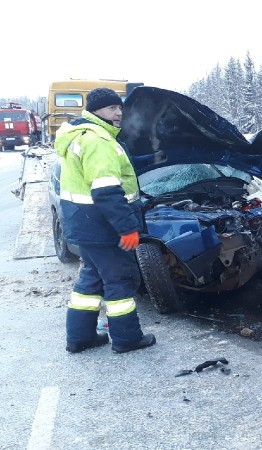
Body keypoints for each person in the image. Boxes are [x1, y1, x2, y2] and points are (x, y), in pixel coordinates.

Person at [55, 87, 156, 354]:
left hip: (83, 225)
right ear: (96, 110)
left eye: (120, 108)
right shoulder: (98, 140)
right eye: (112, 108)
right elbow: (106, 191)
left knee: (91, 280)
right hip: (103, 227)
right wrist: (128, 228)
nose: (119, 113)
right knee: (120, 279)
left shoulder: (79, 136)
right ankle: (127, 339)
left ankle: (80, 337)